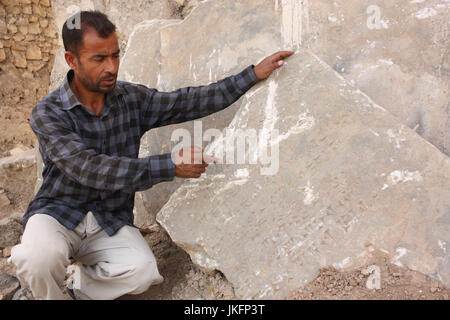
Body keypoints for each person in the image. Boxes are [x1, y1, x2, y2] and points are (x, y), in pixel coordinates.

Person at [9, 10, 294, 300]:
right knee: (37, 259)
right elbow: (88, 168)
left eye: (115, 55)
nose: (111, 67)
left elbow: (187, 102)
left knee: (143, 273)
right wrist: (169, 166)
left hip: (109, 218)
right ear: (72, 60)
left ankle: (78, 287)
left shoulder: (131, 99)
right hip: (58, 214)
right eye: (99, 58)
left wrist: (252, 75)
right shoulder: (48, 112)